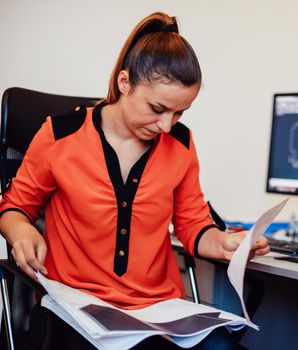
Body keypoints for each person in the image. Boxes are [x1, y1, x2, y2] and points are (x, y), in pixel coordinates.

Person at [0, 12, 269, 349]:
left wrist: (224, 243)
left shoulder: (181, 145)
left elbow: (193, 227)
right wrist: (21, 231)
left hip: (160, 311)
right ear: (125, 82)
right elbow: (13, 208)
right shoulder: (59, 135)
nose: (167, 126)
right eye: (157, 108)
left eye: (179, 113)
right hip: (80, 309)